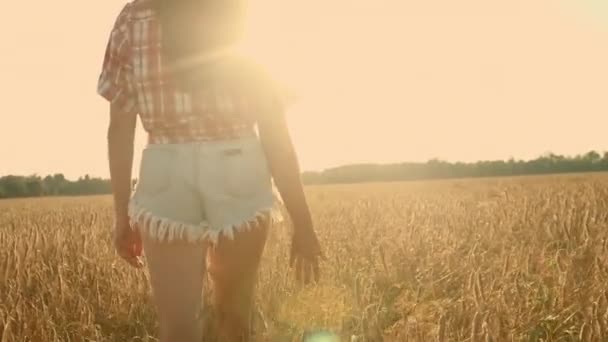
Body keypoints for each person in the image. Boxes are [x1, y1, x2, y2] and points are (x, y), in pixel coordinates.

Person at [97, 0, 323, 341]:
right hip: (238, 165)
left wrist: (121, 217)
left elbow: (120, 128)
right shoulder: (239, 12)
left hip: (165, 169)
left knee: (178, 329)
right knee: (234, 320)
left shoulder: (133, 17)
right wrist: (302, 224)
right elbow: (276, 137)